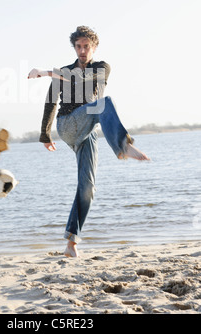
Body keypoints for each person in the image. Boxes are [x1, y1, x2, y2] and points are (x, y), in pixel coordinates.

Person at [28, 26, 149, 257]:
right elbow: (50, 102)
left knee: (88, 188)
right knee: (104, 103)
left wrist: (45, 71)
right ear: (74, 47)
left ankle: (71, 244)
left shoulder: (102, 67)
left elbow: (84, 77)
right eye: (78, 46)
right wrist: (45, 134)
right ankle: (124, 146)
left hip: (89, 130)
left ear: (94, 47)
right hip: (67, 124)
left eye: (86, 46)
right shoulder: (62, 71)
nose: (82, 50)